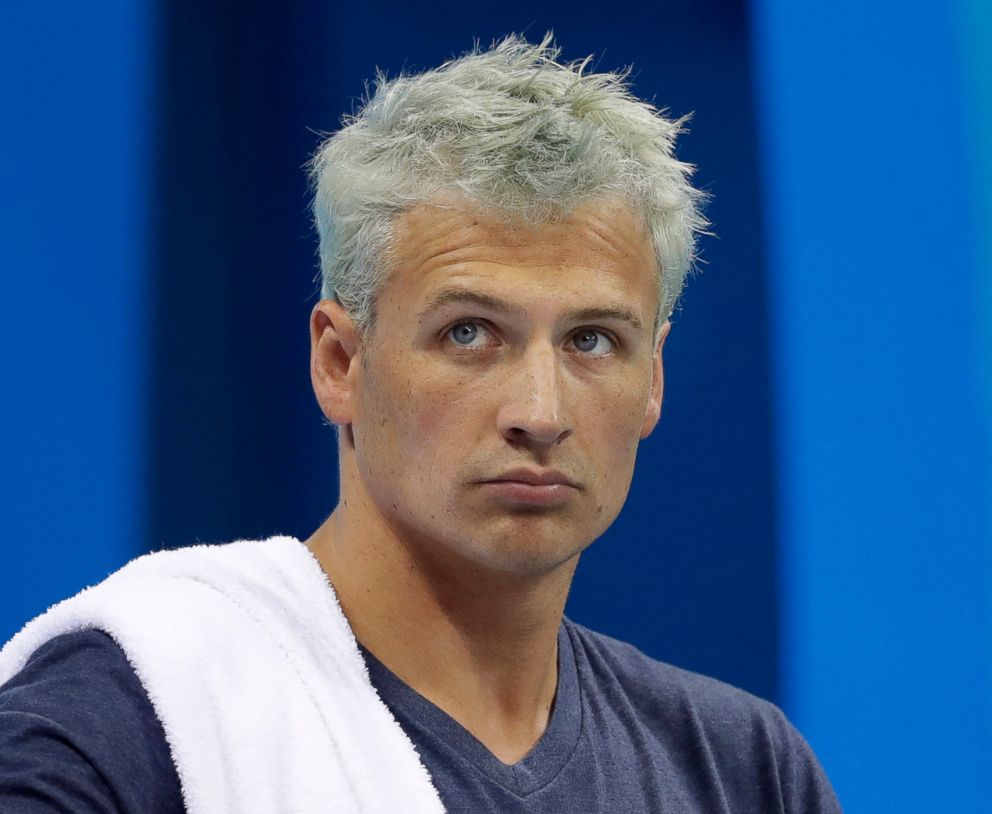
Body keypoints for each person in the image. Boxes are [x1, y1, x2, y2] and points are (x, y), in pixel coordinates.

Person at [0, 35, 840, 813]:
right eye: (468, 333)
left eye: (592, 340)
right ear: (340, 362)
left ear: (651, 379)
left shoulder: (741, 771)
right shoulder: (132, 718)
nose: (540, 415)